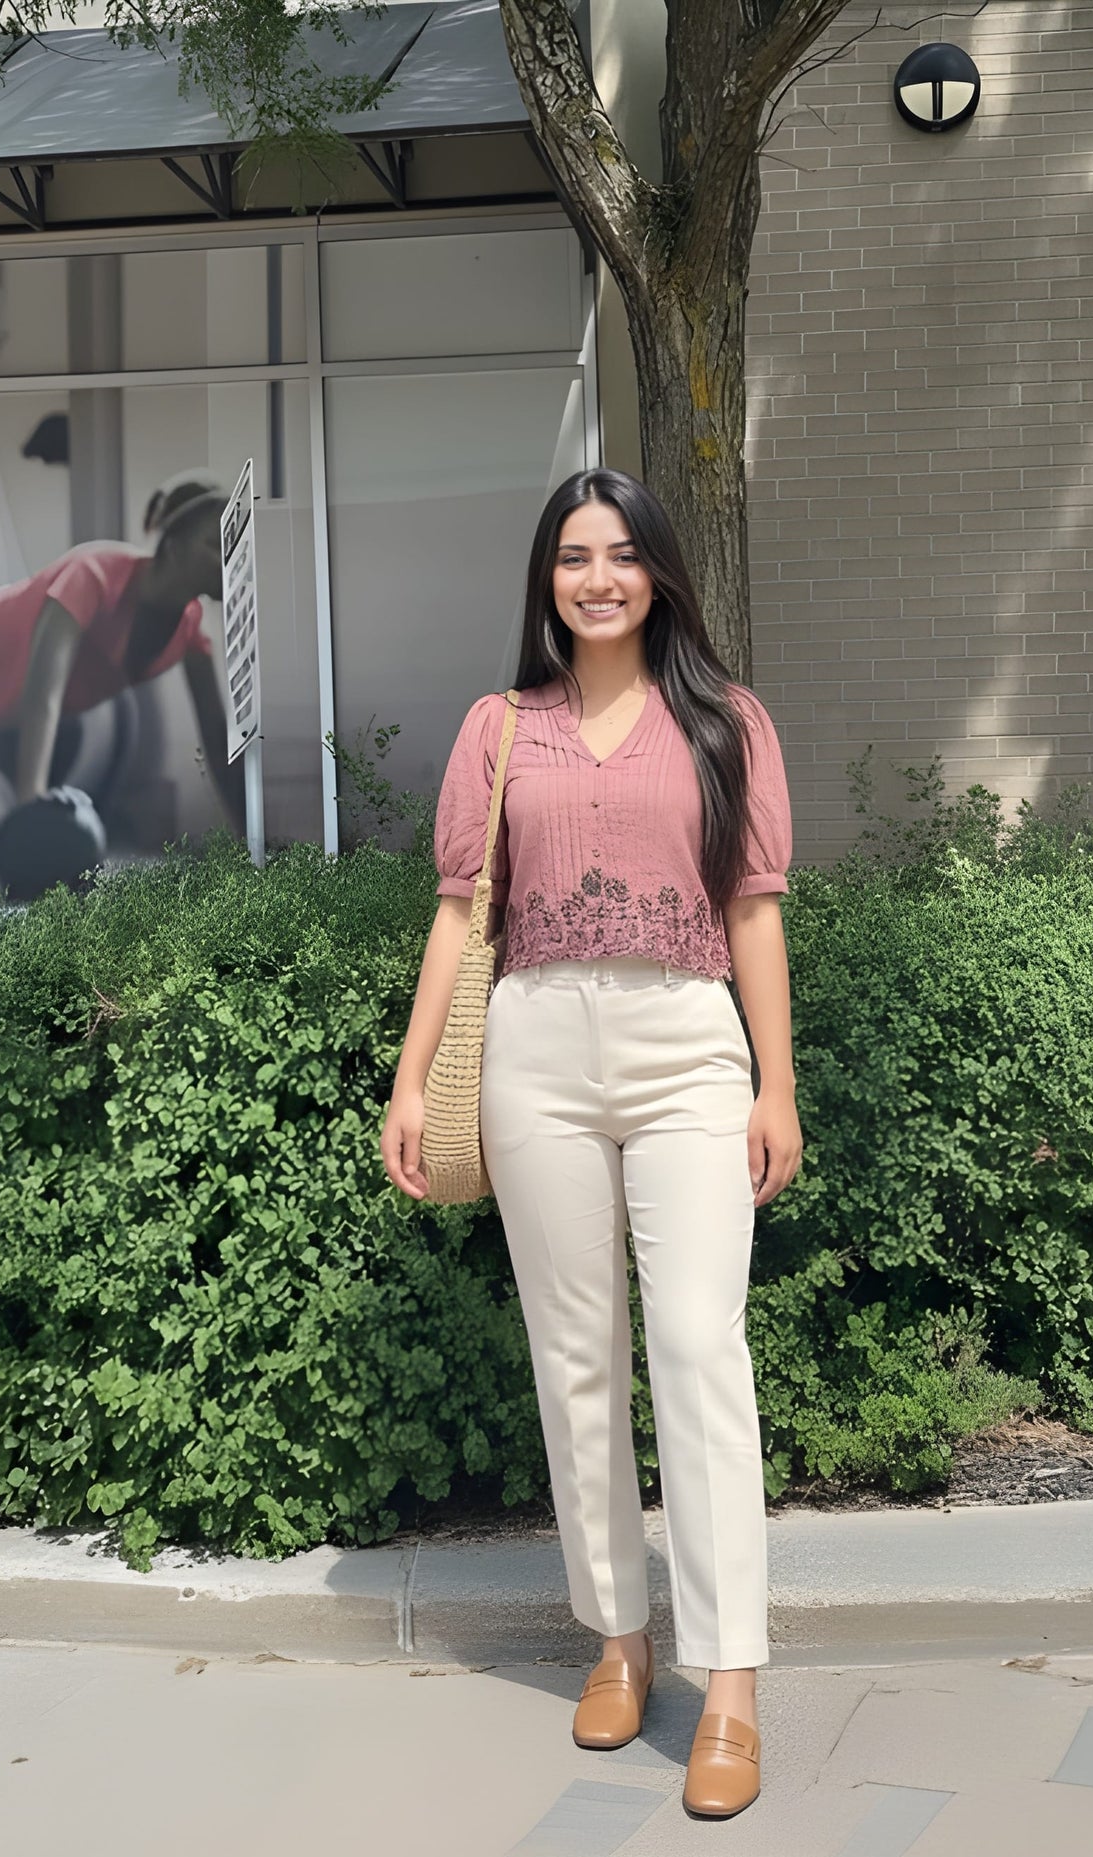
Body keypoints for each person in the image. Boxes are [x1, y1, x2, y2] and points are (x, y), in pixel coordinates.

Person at [380, 467, 802, 1820]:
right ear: (546, 580)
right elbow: (461, 910)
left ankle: (729, 1679)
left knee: (696, 1346)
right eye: (574, 556)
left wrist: (777, 1085)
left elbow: (753, 908)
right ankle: (618, 1639)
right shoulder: (502, 726)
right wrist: (410, 1080)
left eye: (622, 554)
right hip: (535, 1052)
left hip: (687, 1046)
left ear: (658, 572)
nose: (599, 578)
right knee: (575, 1356)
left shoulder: (725, 722)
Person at [0, 476, 246, 896]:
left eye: (233, 545)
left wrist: (249, 839)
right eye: (215, 544)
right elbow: (44, 689)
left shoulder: (190, 633)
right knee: (5, 852)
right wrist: (32, 801)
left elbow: (218, 742)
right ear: (174, 546)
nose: (228, 558)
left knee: (33, 866)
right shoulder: (95, 572)